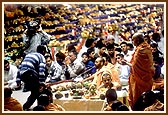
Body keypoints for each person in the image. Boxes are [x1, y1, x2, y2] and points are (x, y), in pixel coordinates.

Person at [127, 33, 155, 109]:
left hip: (139, 79)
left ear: (138, 40)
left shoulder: (141, 50)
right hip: (146, 78)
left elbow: (135, 65)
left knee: (140, 102)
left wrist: (126, 63)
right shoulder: (147, 47)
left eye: (133, 40)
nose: (132, 42)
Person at [16, 45, 47, 110]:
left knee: (35, 90)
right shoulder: (41, 57)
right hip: (29, 74)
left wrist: (18, 80)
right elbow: (41, 70)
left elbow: (20, 67)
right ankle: (25, 107)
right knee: (36, 92)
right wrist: (42, 83)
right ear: (43, 51)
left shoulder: (29, 55)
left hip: (23, 74)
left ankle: (38, 106)